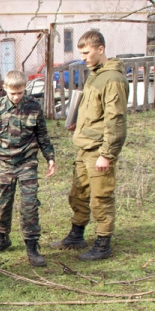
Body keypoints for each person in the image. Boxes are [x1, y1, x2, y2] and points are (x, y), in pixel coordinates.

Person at [50, 31, 129, 260]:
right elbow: (95, 111)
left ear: (100, 49)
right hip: (85, 145)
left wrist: (107, 154)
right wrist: (78, 124)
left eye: (86, 52)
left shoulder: (112, 79)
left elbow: (116, 120)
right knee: (79, 193)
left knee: (101, 197)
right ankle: (76, 235)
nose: (83, 57)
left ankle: (103, 244)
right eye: (81, 52)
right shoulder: (96, 74)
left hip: (99, 150)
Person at [0, 69, 56, 267]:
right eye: (12, 93)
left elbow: (43, 135)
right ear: (5, 88)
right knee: (3, 203)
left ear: (25, 89)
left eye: (20, 92)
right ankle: (2, 239)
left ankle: (32, 246)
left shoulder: (34, 107)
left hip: (27, 163)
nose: (16, 97)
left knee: (29, 206)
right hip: (5, 164)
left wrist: (50, 158)